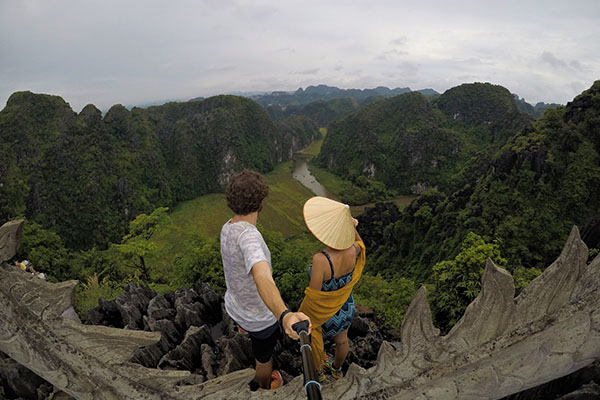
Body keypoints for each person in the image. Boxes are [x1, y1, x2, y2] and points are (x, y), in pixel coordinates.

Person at [220, 169, 311, 390]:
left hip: (234, 305)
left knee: (249, 328)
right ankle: (263, 385)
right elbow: (262, 276)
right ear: (260, 202)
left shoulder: (228, 226)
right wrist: (284, 314)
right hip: (260, 318)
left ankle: (243, 329)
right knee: (264, 357)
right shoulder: (249, 236)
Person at [298, 196, 366, 380]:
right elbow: (361, 244)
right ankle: (336, 369)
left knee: (314, 341)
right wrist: (352, 226)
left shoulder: (321, 260)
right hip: (344, 306)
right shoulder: (354, 250)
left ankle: (319, 373)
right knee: (342, 340)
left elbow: (314, 296)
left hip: (325, 312)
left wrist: (303, 314)